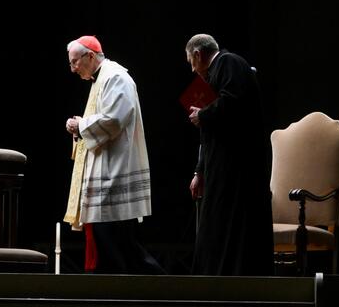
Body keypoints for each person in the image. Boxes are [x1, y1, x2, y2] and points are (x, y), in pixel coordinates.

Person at [63, 35, 164, 274]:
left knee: (120, 246)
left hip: (115, 172)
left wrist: (82, 125)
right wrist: (81, 125)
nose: (73, 68)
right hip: (105, 171)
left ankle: (162, 287)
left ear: (90, 55)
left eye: (75, 62)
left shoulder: (116, 76)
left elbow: (115, 119)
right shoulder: (100, 80)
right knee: (113, 245)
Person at [185, 34, 273, 275]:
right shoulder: (214, 73)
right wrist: (199, 171)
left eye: (191, 63)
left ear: (197, 55)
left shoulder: (229, 62)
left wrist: (202, 115)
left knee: (235, 223)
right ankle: (214, 278)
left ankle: (234, 277)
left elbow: (233, 102)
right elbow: (208, 135)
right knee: (215, 222)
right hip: (219, 165)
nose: (193, 70)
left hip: (238, 166)